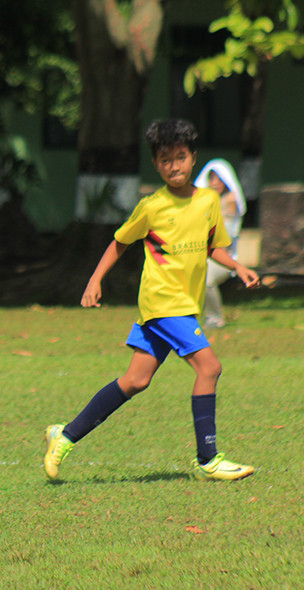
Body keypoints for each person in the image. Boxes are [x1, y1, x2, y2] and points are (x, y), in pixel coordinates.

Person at [44, 119, 260, 483]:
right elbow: (119, 242)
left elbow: (212, 247)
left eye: (180, 157)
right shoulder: (151, 207)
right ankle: (208, 457)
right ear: (156, 164)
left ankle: (63, 436)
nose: (173, 166)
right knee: (209, 368)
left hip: (183, 305)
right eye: (164, 159)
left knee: (135, 380)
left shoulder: (208, 201)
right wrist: (95, 280)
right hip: (163, 303)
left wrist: (237, 265)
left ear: (194, 158)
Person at [194, 158, 246, 328]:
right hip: (202, 254)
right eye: (211, 178)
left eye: (219, 178)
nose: (215, 183)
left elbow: (225, 236)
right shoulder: (205, 202)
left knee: (206, 278)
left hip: (224, 257)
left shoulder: (229, 201)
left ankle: (215, 317)